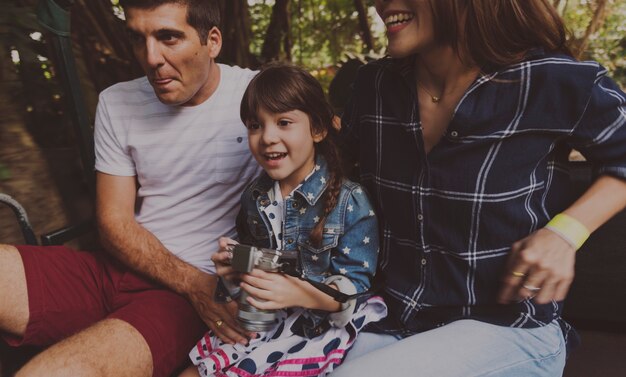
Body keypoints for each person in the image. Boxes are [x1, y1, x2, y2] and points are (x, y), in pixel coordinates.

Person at [332, 0, 626, 376]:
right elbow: (329, 177)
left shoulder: (553, 79)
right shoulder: (375, 86)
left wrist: (565, 233)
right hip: (392, 318)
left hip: (508, 328)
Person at [0, 0, 262, 376]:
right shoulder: (116, 101)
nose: (151, 57)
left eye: (168, 37)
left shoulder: (257, 96)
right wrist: (193, 284)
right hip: (115, 271)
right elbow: (113, 222)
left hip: (181, 303)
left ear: (213, 41)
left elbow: (319, 160)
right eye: (138, 39)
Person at [179, 63, 386, 377]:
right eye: (255, 125)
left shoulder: (349, 200)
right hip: (263, 321)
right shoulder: (255, 197)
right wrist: (233, 271)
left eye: (284, 122)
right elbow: (264, 266)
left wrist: (300, 292)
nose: (267, 137)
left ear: (317, 129)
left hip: (316, 327)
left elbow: (353, 289)